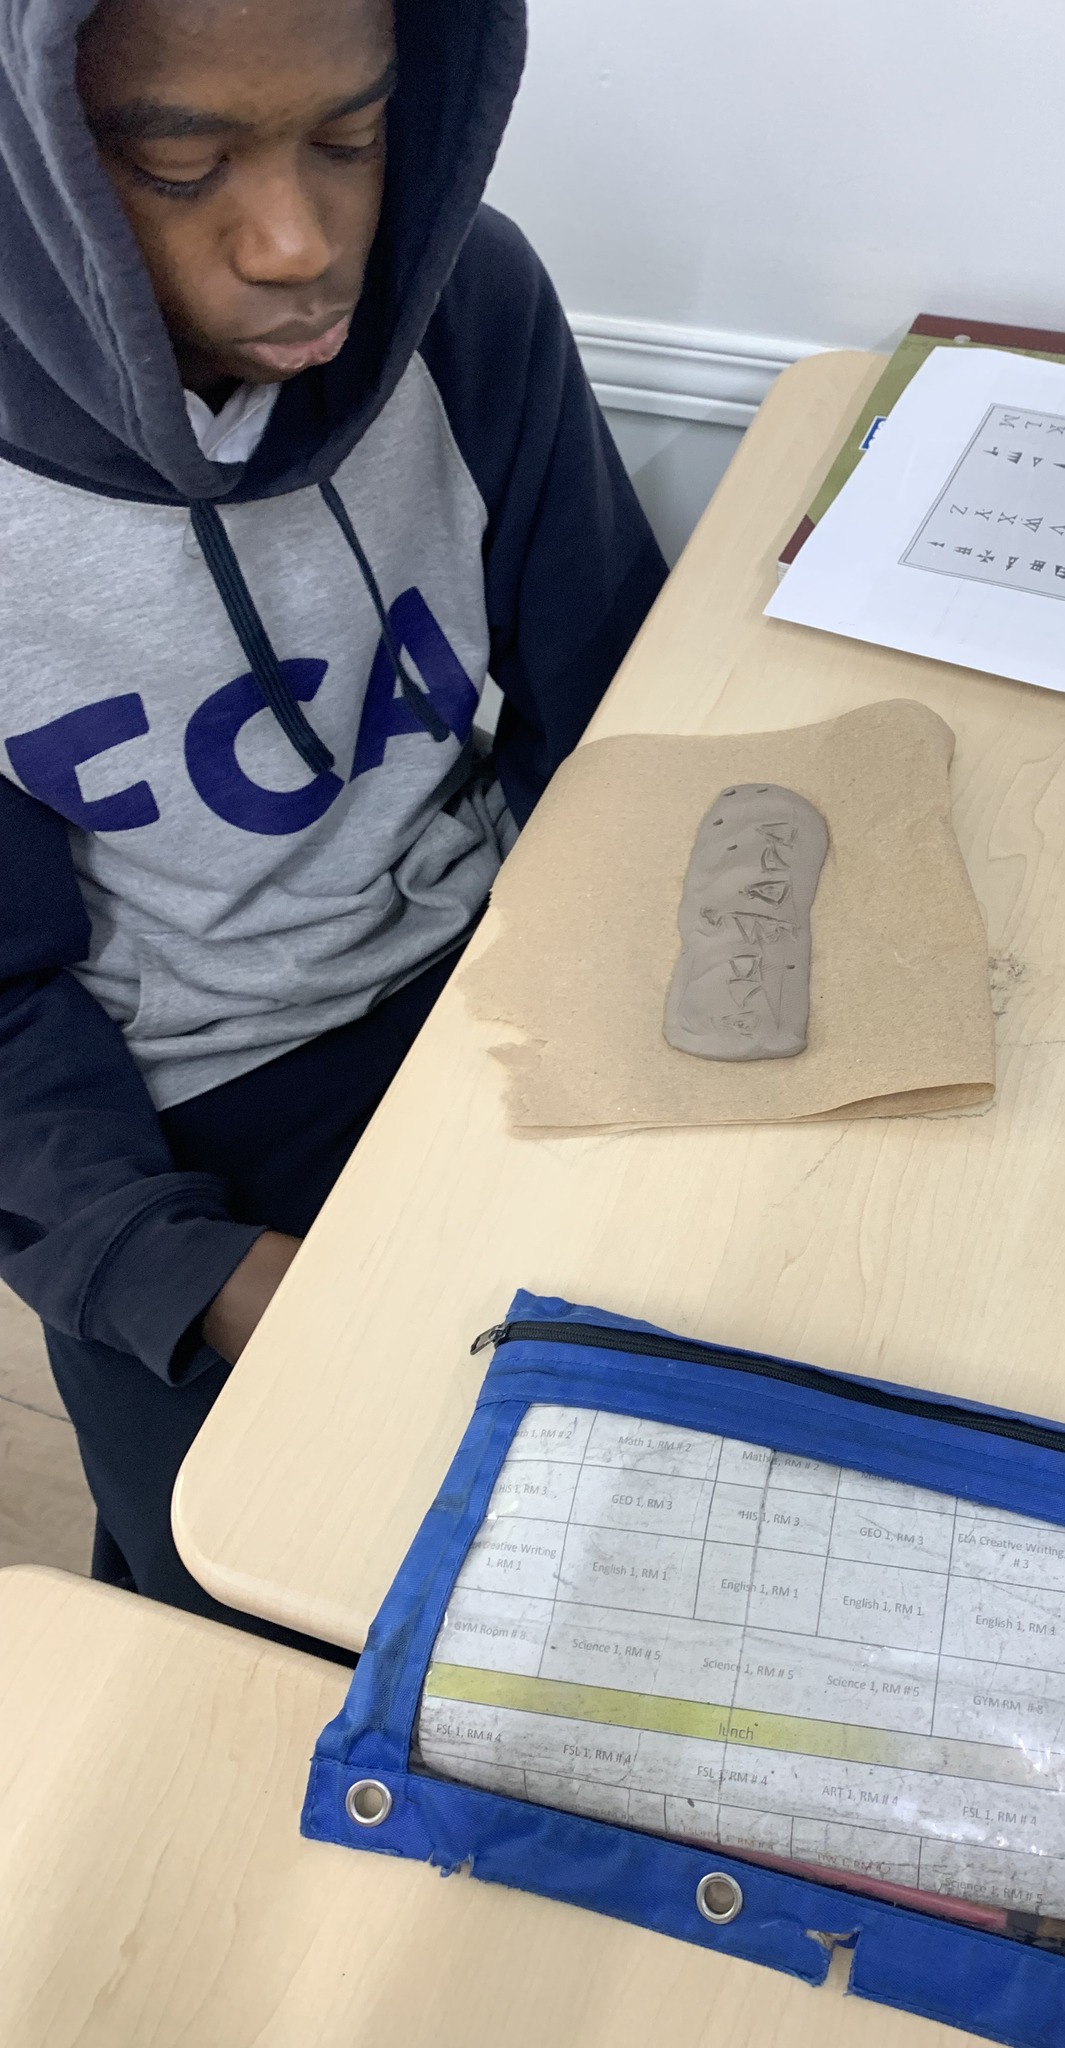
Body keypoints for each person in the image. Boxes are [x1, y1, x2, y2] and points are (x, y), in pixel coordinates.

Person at [0, 0, 666, 1639]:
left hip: (490, 975)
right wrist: (203, 1278)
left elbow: (606, 697)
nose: (301, 244)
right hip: (167, 1127)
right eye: (181, 167)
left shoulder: (466, 302)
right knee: (270, 1606)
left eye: (353, 140)